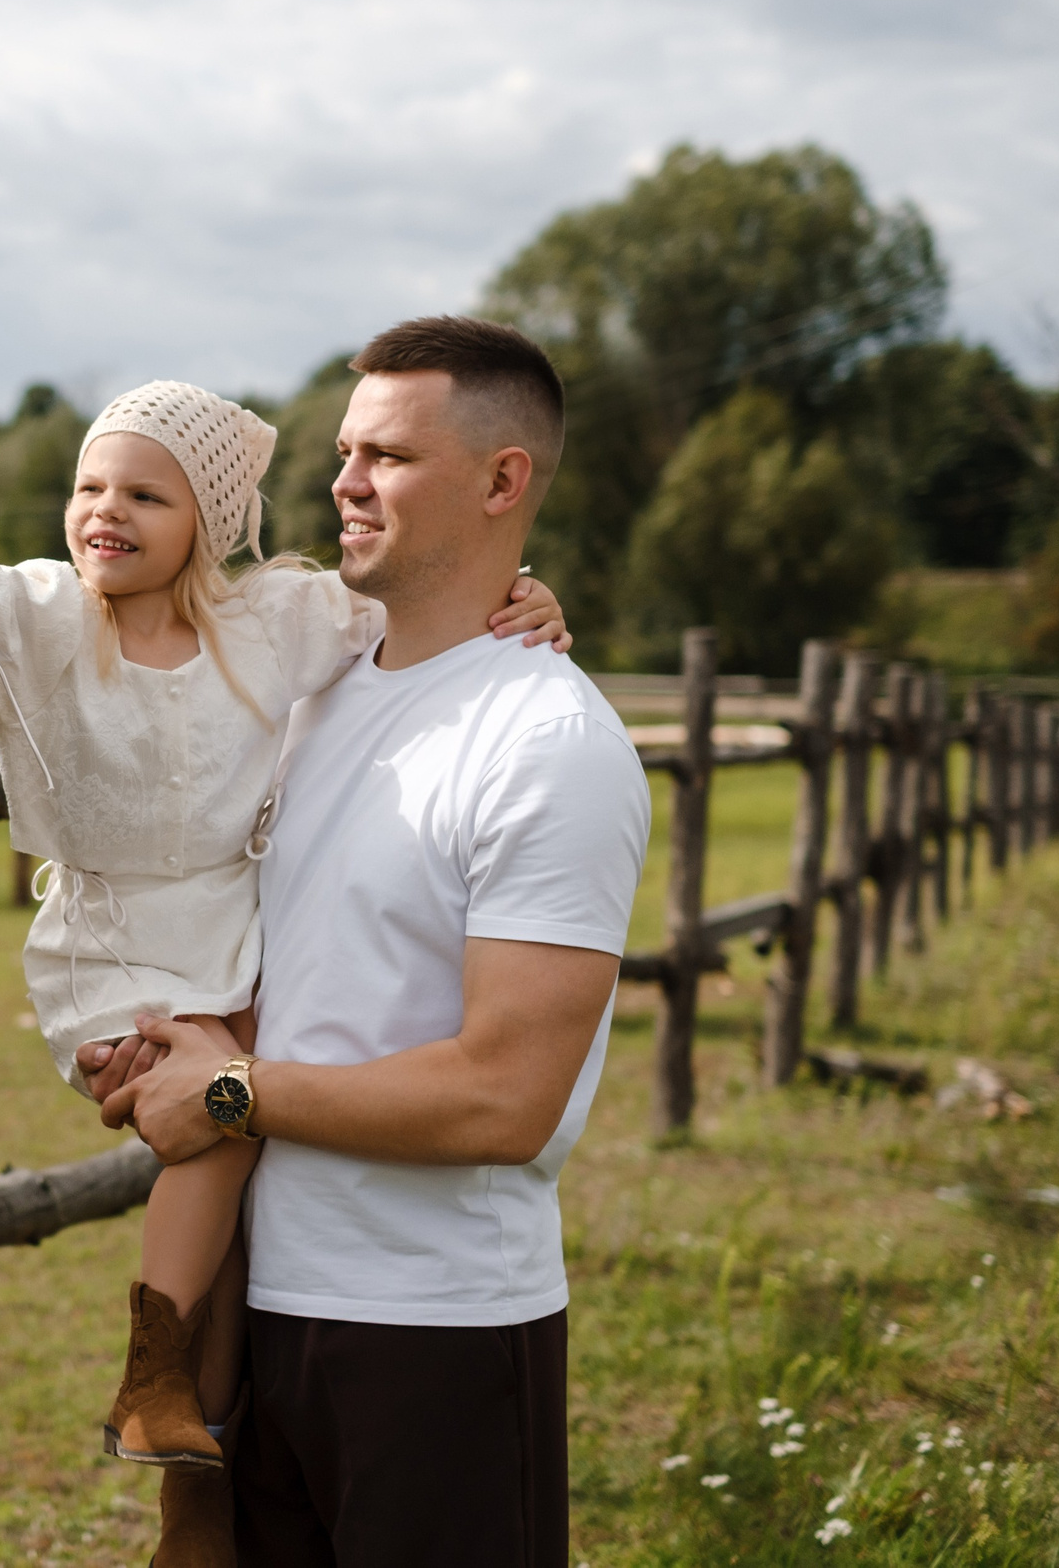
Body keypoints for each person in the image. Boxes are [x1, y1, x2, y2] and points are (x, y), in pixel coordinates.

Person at [0, 379, 571, 1568]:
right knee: (229, 1124)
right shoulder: (42, 620)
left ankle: (197, 1454)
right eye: (90, 486)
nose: (106, 511)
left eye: (145, 493)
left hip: (229, 930)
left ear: (205, 517)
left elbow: (423, 607)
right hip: (111, 948)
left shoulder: (267, 626)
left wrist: (526, 597)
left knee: (254, 1158)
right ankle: (156, 1375)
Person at [86, 316, 652, 1566]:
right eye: (345, 451)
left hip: (437, 1331)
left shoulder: (547, 745)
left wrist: (225, 1094)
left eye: (386, 456)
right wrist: (159, 1055)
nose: (343, 483)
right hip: (262, 1316)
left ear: (504, 482)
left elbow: (504, 1098)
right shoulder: (307, 693)